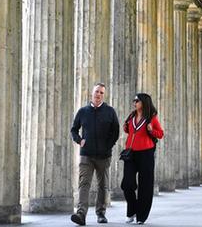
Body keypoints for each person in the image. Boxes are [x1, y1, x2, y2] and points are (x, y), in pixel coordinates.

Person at [70, 83, 120, 225]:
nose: (99, 94)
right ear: (92, 94)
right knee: (84, 183)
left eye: (102, 93)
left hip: (104, 156)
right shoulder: (83, 111)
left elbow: (115, 132)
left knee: (102, 185)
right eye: (97, 92)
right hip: (86, 155)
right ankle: (81, 214)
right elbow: (74, 129)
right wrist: (79, 141)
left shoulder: (110, 111)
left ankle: (101, 213)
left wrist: (108, 146)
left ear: (104, 95)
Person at [121, 93, 164, 225]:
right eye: (134, 100)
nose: (134, 103)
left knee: (145, 186)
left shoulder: (152, 117)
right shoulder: (132, 116)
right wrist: (126, 127)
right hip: (131, 154)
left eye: (137, 101)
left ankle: (141, 216)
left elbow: (160, 134)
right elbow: (130, 131)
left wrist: (151, 130)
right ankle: (132, 209)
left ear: (144, 102)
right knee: (127, 184)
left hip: (146, 154)